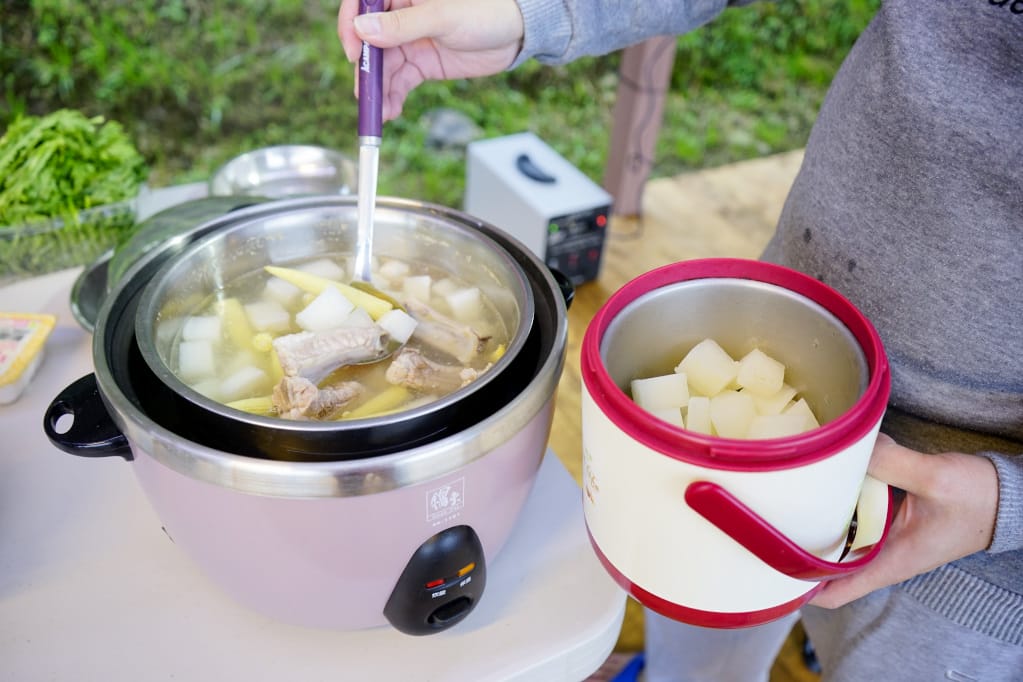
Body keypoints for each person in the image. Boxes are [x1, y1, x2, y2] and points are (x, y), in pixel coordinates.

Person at [338, 1, 1023, 679]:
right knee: (696, 632)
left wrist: (1005, 507)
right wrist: (530, 13)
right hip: (780, 337)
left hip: (967, 533)